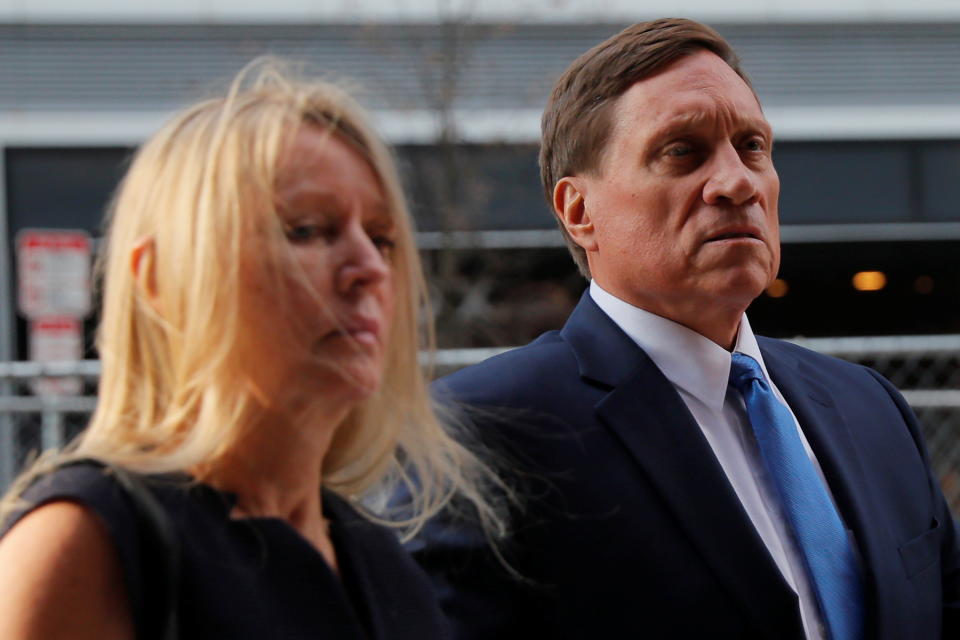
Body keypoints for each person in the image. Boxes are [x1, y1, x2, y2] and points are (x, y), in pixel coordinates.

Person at [412, 18, 960, 640]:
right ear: (579, 210)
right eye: (682, 151)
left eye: (752, 147)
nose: (737, 182)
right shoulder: (483, 435)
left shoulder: (872, 408)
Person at [0, 59, 504, 639]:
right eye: (307, 229)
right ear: (161, 277)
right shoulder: (89, 543)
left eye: (382, 238)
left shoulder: (380, 558)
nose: (367, 267)